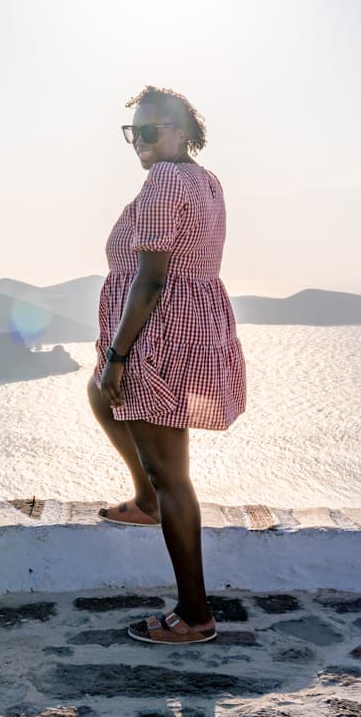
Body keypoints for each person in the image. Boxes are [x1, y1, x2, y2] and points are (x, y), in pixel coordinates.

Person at [88, 85, 247, 645]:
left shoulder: (163, 182)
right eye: (134, 132)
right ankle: (147, 500)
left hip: (161, 332)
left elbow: (151, 277)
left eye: (152, 130)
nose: (141, 142)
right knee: (100, 394)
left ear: (181, 132)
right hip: (195, 325)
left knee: (173, 474)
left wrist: (118, 354)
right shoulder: (206, 180)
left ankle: (194, 614)